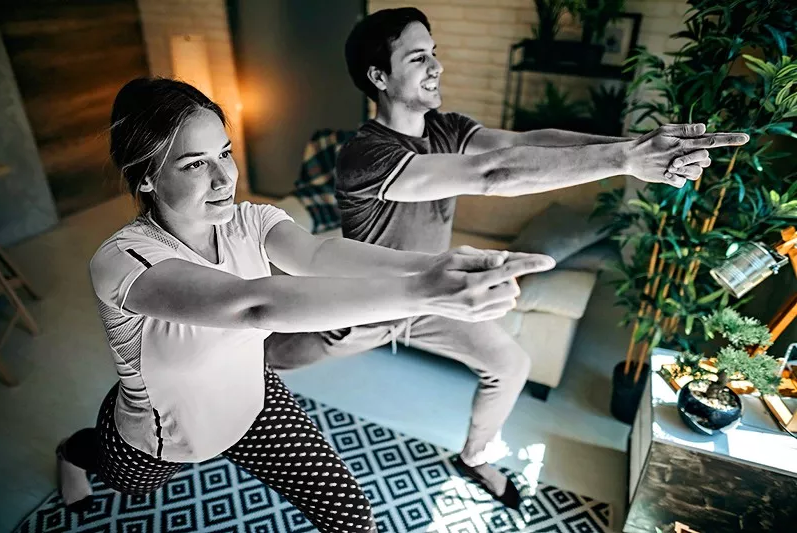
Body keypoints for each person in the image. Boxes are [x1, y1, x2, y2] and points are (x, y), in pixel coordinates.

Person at [264, 6, 750, 510]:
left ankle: (474, 456)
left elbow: (529, 144)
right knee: (265, 358)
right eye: (418, 58)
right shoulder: (365, 154)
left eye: (435, 54)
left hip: (433, 297)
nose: (436, 67)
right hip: (363, 307)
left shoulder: (447, 128)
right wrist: (627, 162)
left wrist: (637, 147)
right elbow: (491, 175)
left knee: (510, 362)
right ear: (379, 77)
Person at [54, 77, 557, 533]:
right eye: (194, 164)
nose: (223, 178)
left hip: (254, 400)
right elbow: (253, 306)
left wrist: (430, 267)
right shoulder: (122, 261)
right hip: (163, 432)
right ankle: (70, 454)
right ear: (145, 178)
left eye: (224, 153)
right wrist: (425, 294)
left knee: (352, 517)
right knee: (122, 477)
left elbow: (319, 253)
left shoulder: (247, 219)